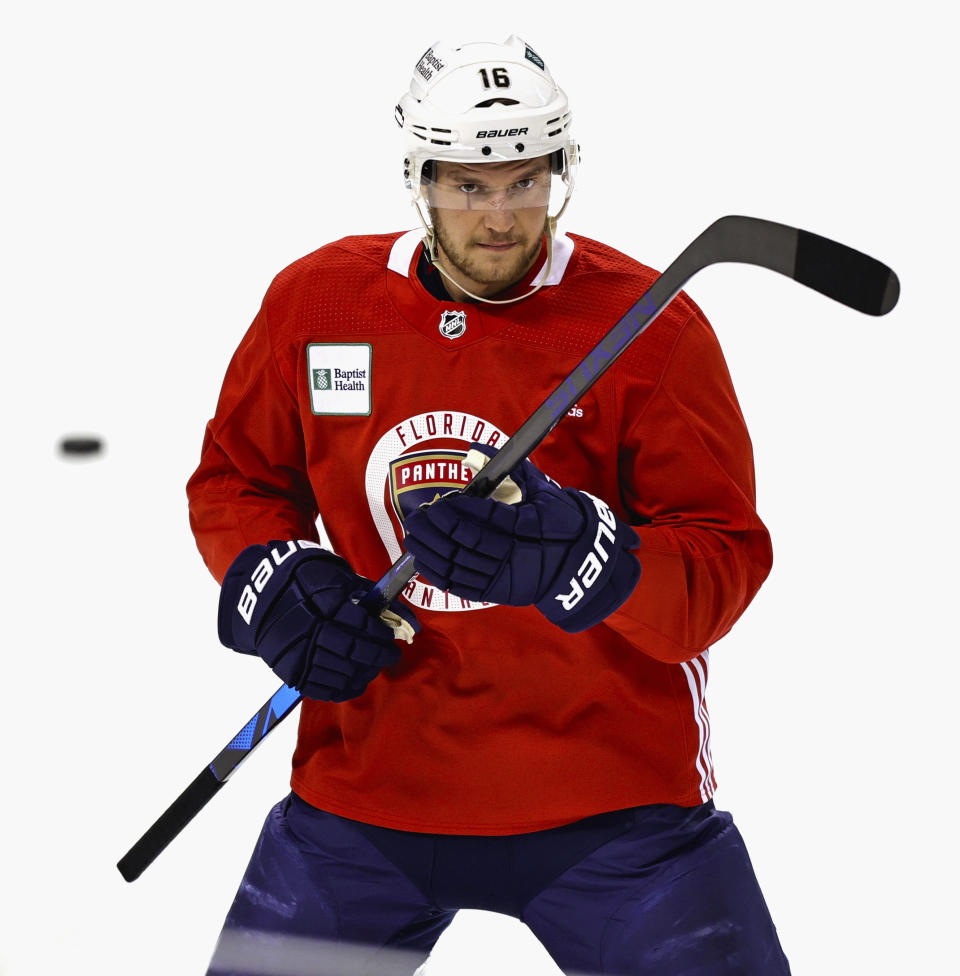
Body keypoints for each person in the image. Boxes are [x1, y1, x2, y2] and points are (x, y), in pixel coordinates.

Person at [187, 35, 791, 976]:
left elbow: (721, 562)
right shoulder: (320, 306)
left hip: (616, 810)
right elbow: (237, 481)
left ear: (560, 171)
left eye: (525, 181)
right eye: (469, 186)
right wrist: (277, 580)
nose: (502, 217)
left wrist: (591, 556)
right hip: (367, 794)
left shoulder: (648, 325)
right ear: (419, 177)